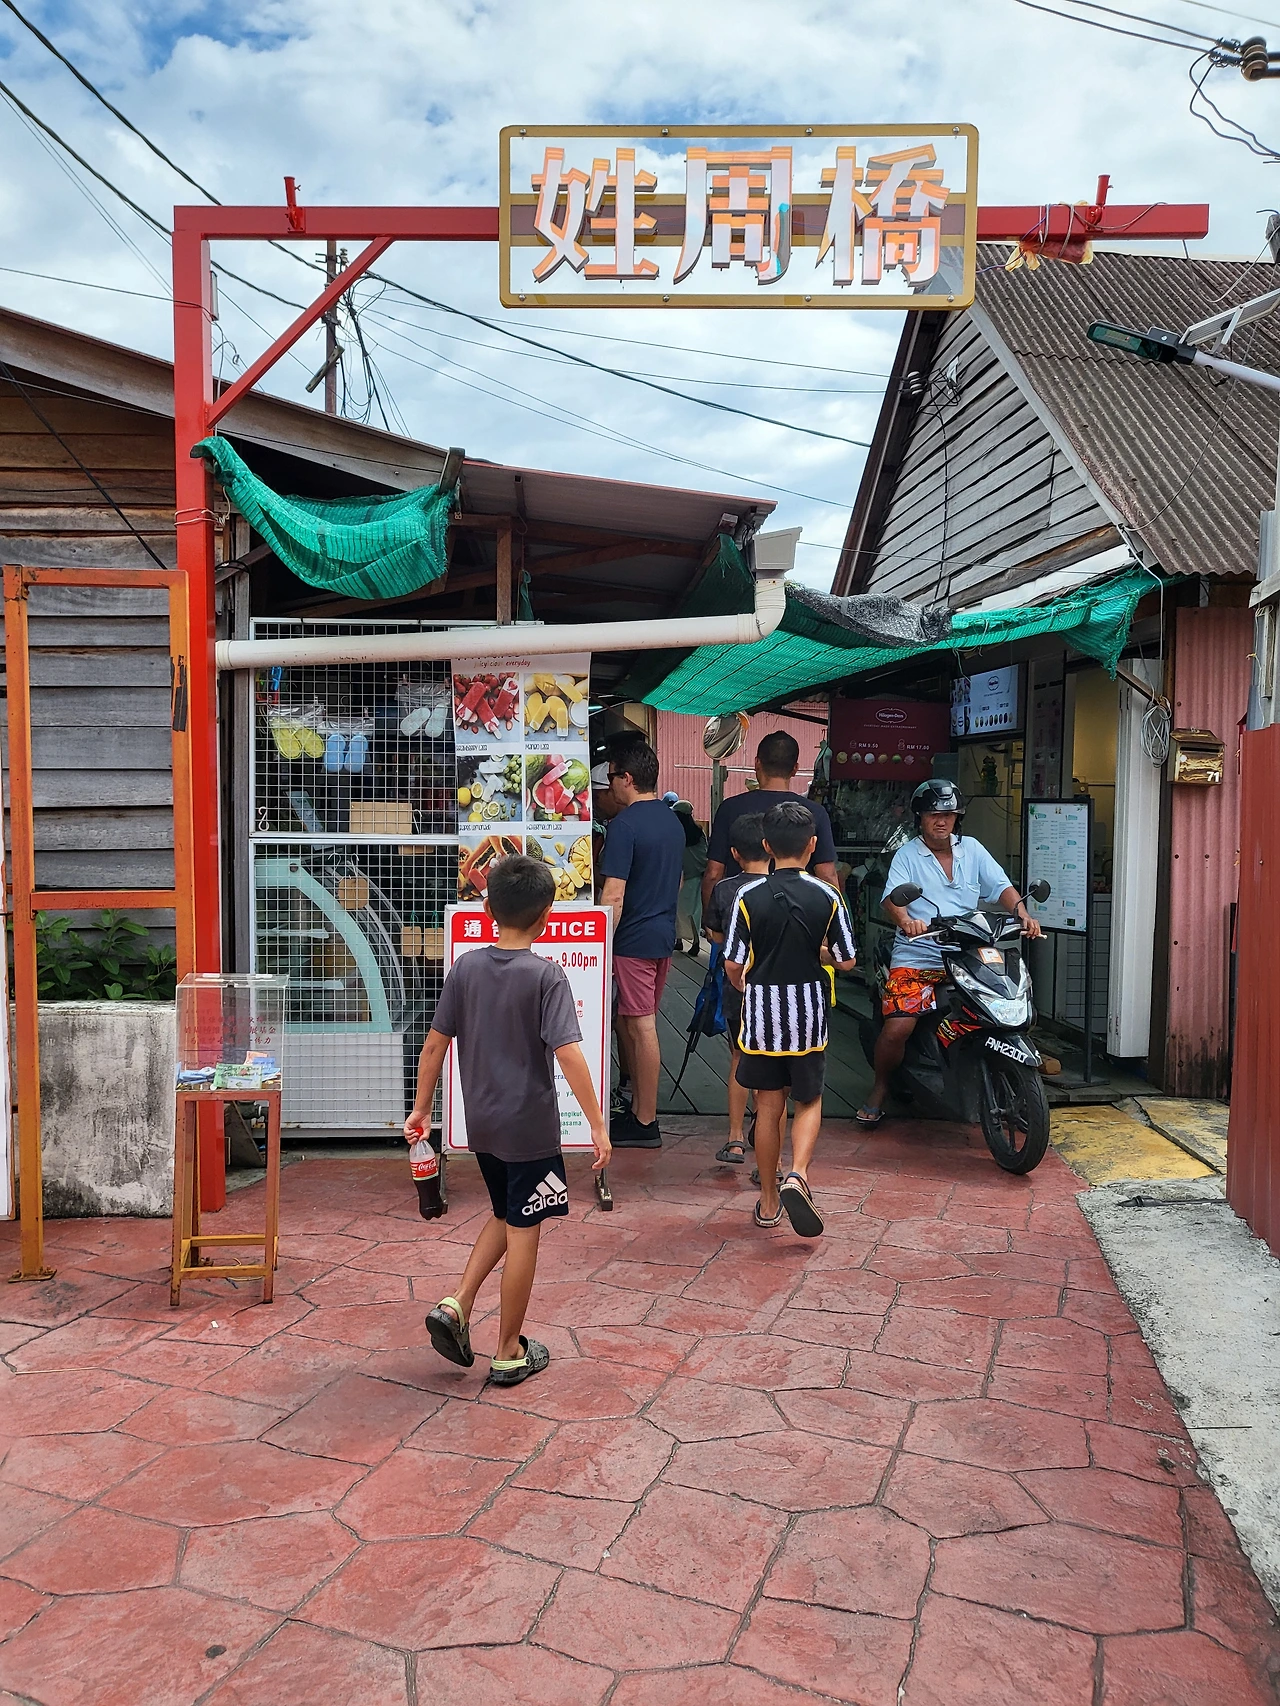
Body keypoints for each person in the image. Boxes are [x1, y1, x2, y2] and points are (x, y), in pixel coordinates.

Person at [405, 855, 610, 1387]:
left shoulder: (466, 968)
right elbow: (568, 1053)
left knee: (506, 1211)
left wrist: (422, 1109)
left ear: (487, 909)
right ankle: (508, 1350)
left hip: (484, 1125)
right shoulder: (546, 976)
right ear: (547, 915)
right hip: (529, 1130)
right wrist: (597, 1123)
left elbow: (434, 1045)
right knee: (525, 1232)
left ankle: (457, 1303)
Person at [859, 778, 1043, 1126]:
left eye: (948, 814)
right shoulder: (907, 855)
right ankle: (881, 1087)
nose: (941, 821)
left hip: (968, 953)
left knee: (1003, 1006)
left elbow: (1002, 886)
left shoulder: (972, 849)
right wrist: (906, 921)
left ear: (958, 817)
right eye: (933, 814)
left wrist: (1023, 914)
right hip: (919, 955)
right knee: (898, 1028)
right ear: (920, 817)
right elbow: (891, 900)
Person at [724, 800, 858, 1238]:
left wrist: (748, 983)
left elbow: (732, 963)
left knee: (768, 1106)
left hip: (762, 1018)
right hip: (808, 1018)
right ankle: (798, 1173)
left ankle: (768, 1201)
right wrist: (820, 953)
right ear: (812, 845)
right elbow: (847, 960)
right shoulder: (828, 895)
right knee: (809, 1100)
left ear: (766, 845)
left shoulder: (747, 896)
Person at [599, 741, 685, 1149]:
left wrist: (600, 944)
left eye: (611, 777)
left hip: (632, 939)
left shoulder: (624, 825)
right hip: (661, 935)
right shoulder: (672, 822)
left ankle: (646, 1120)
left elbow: (613, 894)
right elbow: (678, 881)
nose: (609, 786)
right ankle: (637, 1110)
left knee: (641, 1025)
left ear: (627, 778)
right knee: (636, 1023)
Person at [702, 730, 841, 916]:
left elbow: (713, 873)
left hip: (741, 916)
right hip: (798, 918)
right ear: (795, 769)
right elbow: (827, 874)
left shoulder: (729, 809)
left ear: (757, 763)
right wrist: (835, 922)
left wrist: (710, 920)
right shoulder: (814, 812)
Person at [702, 811, 770, 1166]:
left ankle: (735, 1138)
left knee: (739, 1057)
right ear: (770, 848)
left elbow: (715, 935)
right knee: (772, 1061)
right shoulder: (786, 887)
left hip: (738, 985)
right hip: (777, 989)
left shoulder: (725, 889)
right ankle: (766, 1131)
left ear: (734, 853)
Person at [673, 800, 708, 956]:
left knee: (677, 911)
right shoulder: (698, 832)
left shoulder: (675, 833)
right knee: (695, 911)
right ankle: (696, 942)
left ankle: (678, 940)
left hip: (679, 876)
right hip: (696, 876)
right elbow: (704, 852)